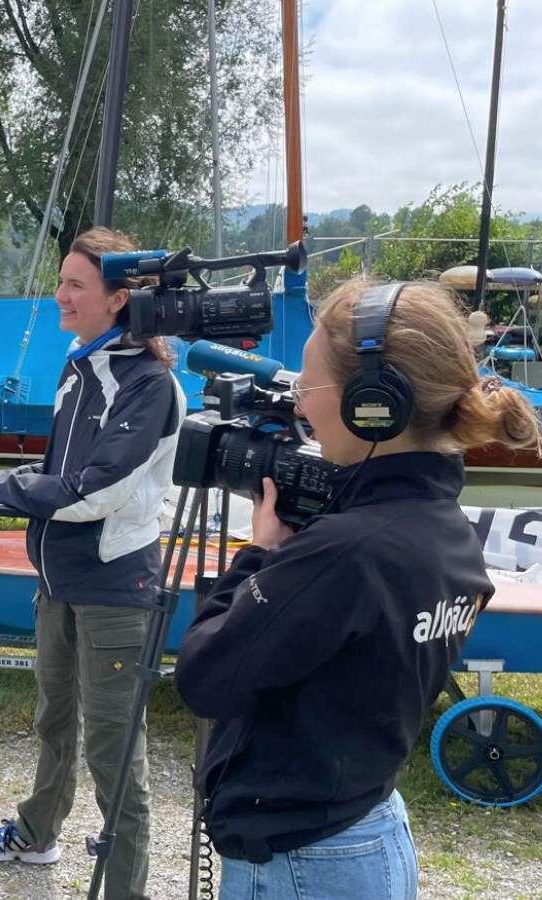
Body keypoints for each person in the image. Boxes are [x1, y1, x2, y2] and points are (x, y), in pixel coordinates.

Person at [175, 278, 542, 899]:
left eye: (307, 386)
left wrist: (260, 554)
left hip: (303, 863)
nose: (299, 406)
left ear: (375, 403)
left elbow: (205, 677)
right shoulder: (443, 531)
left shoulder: (348, 551)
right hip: (366, 827)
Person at [0, 227, 186, 900]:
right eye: (61, 280)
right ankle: (37, 835)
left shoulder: (149, 385)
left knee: (113, 752)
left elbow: (92, 493)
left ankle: (125, 887)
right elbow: (56, 472)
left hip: (116, 591)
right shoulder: (80, 365)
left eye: (76, 285)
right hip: (58, 582)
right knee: (52, 719)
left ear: (118, 297)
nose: (60, 296)